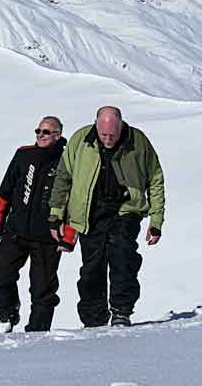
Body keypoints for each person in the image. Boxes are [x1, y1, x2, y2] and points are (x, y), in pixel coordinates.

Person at [47, 106, 165, 328]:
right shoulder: (81, 140)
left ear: (121, 126)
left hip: (125, 211)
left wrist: (156, 221)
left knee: (123, 259)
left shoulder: (138, 142)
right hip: (90, 214)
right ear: (96, 126)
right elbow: (63, 177)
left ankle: (121, 311)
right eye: (103, 135)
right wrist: (56, 214)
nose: (108, 139)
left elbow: (155, 178)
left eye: (113, 134)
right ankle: (94, 320)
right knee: (92, 268)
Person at [0, 116, 68, 333]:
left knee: (43, 290)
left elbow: (75, 200)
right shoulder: (24, 154)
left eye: (46, 132)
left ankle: (37, 334)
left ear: (58, 135)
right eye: (38, 131)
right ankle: (8, 312)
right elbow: (6, 189)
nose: (40, 135)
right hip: (16, 230)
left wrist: (68, 234)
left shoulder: (68, 159)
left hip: (48, 236)